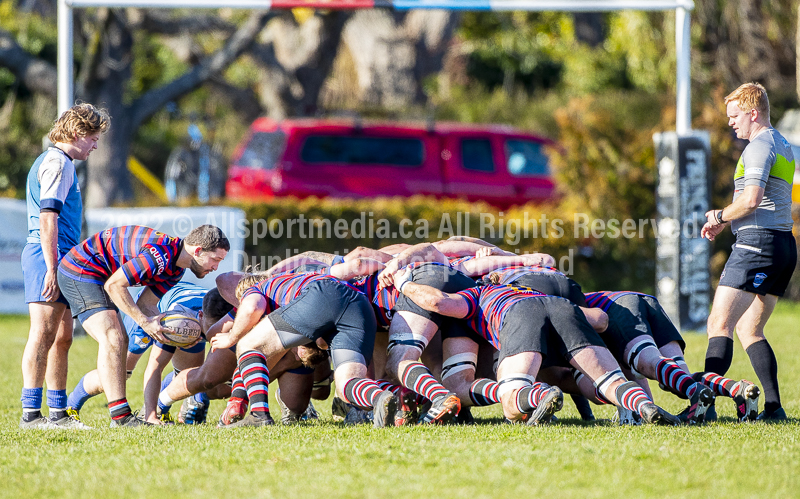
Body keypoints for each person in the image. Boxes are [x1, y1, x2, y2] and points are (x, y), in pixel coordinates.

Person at [57, 224, 229, 427]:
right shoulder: (159, 255)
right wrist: (145, 322)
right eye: (215, 259)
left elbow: (146, 304)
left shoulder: (176, 269)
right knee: (114, 338)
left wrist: (164, 326)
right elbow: (114, 285)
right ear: (198, 250)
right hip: (81, 270)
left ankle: (120, 416)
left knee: (120, 365)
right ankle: (118, 417)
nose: (216, 267)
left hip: (102, 277)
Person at [701, 82, 796, 421]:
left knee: (719, 322)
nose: (731, 122)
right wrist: (729, 220)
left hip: (757, 244)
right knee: (749, 329)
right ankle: (774, 407)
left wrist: (718, 216)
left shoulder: (759, 147)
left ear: (753, 113)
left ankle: (704, 404)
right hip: (783, 245)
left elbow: (752, 199)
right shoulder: (783, 144)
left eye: (735, 115)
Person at [20, 103, 110, 430]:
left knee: (63, 337)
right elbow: (48, 218)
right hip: (49, 255)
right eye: (93, 138)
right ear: (77, 133)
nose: (96, 145)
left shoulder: (63, 161)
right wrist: (51, 267)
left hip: (61, 256)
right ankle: (31, 414)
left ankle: (58, 414)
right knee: (43, 334)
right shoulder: (58, 163)